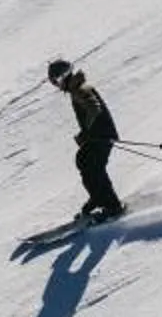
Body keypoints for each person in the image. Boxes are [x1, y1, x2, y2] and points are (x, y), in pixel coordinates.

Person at [47, 59, 123, 220]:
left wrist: (86, 133)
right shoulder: (77, 88)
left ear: (63, 77)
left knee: (93, 166)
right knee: (84, 161)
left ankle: (112, 206)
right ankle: (99, 197)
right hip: (99, 135)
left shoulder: (80, 90)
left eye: (55, 81)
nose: (56, 86)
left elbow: (94, 108)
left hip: (101, 135)